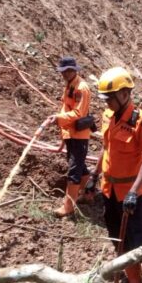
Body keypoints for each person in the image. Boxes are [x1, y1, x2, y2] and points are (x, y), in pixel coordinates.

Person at [85, 67, 142, 283]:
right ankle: (135, 279)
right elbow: (106, 148)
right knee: (118, 238)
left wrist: (132, 192)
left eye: (109, 98)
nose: (106, 102)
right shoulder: (108, 116)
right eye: (105, 98)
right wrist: (94, 176)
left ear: (124, 94)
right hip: (109, 189)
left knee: (141, 240)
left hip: (132, 193)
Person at [49, 56, 92, 218]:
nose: (65, 74)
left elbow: (78, 113)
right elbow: (65, 107)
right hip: (70, 133)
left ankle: (68, 207)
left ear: (75, 70)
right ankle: (88, 195)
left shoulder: (81, 88)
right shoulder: (69, 85)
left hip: (79, 135)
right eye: (63, 71)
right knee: (80, 166)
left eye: (68, 71)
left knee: (74, 169)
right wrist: (57, 118)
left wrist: (59, 119)